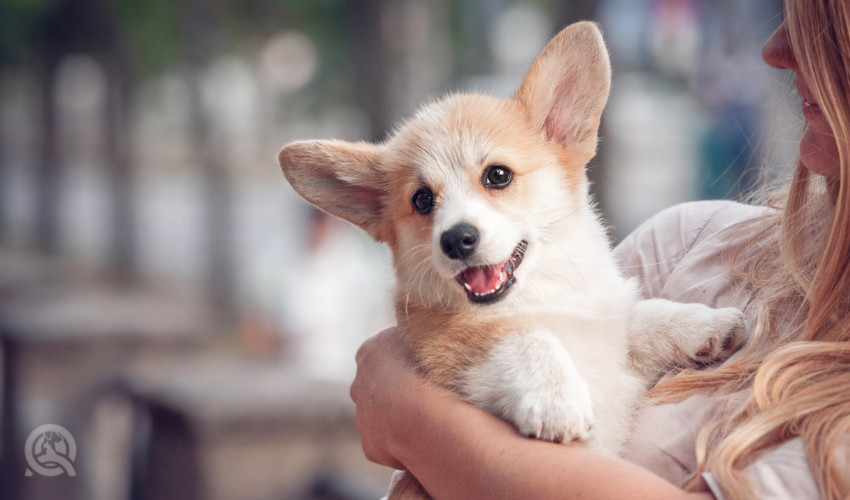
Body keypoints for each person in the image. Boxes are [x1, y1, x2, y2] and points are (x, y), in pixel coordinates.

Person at [348, 0, 850, 498]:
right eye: (423, 200)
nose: (775, 48)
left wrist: (415, 417)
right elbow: (598, 334)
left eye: (497, 177)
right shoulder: (686, 244)